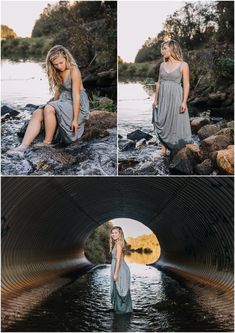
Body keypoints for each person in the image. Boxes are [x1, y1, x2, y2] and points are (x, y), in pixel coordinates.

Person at [7, 45, 89, 156]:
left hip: (76, 102)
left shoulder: (74, 70)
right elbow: (58, 92)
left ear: (66, 58)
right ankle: (23, 146)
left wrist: (75, 119)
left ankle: (47, 142)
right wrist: (51, 104)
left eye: (61, 62)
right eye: (55, 64)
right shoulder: (57, 72)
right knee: (38, 112)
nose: (59, 66)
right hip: (63, 99)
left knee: (49, 108)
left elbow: (76, 95)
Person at [152, 40, 192, 156]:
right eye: (162, 49)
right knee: (162, 119)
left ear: (172, 49)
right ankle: (163, 149)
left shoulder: (184, 65)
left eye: (164, 48)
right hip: (164, 97)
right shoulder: (162, 65)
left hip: (176, 97)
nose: (162, 51)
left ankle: (176, 146)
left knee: (175, 120)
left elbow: (186, 84)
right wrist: (155, 99)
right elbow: (158, 83)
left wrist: (184, 102)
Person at [110, 226, 133, 314]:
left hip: (120, 270)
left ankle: (123, 312)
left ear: (120, 234)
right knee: (119, 289)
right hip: (119, 268)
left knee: (121, 290)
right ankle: (121, 310)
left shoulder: (119, 244)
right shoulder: (117, 243)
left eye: (116, 233)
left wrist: (115, 274)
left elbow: (118, 260)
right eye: (112, 233)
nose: (113, 234)